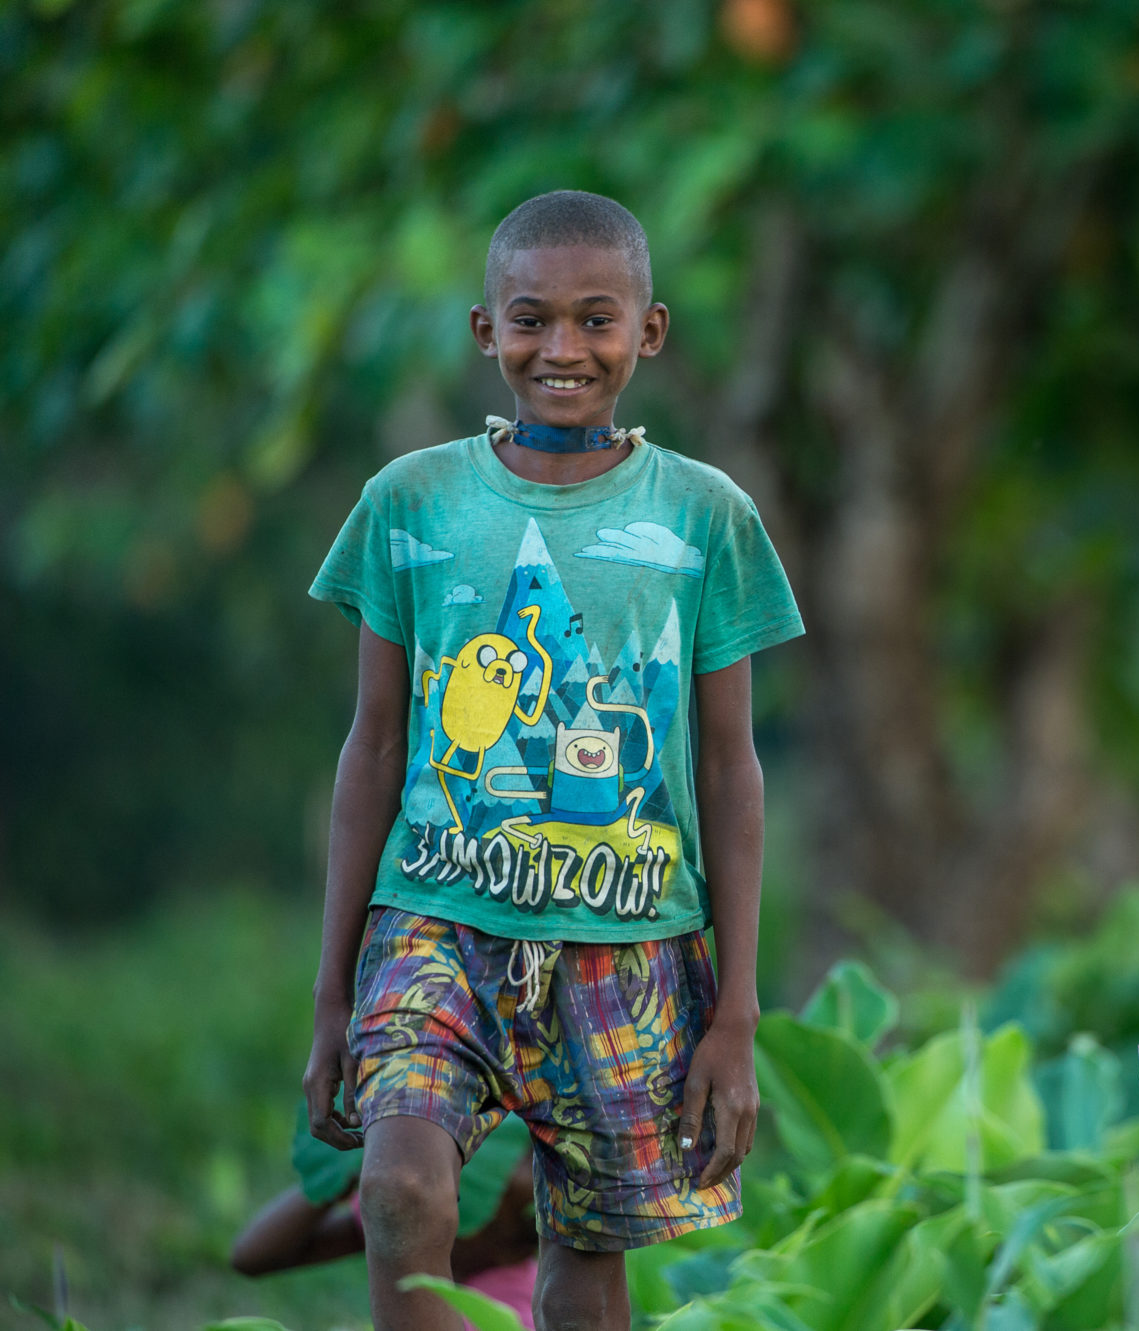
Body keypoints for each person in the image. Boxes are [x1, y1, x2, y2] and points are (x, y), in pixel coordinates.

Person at [302, 190, 802, 1331]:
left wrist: (736, 1011)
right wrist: (333, 994)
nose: (562, 348)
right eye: (530, 319)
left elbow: (729, 770)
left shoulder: (703, 515)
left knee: (584, 1252)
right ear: (486, 332)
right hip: (433, 922)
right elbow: (375, 743)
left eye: (596, 319)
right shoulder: (408, 502)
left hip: (628, 944)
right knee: (400, 1183)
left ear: (650, 330)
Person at [229, 1134, 538, 1328]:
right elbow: (251, 1256)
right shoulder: (409, 1226)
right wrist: (347, 1171)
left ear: (509, 1247)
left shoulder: (515, 1309)